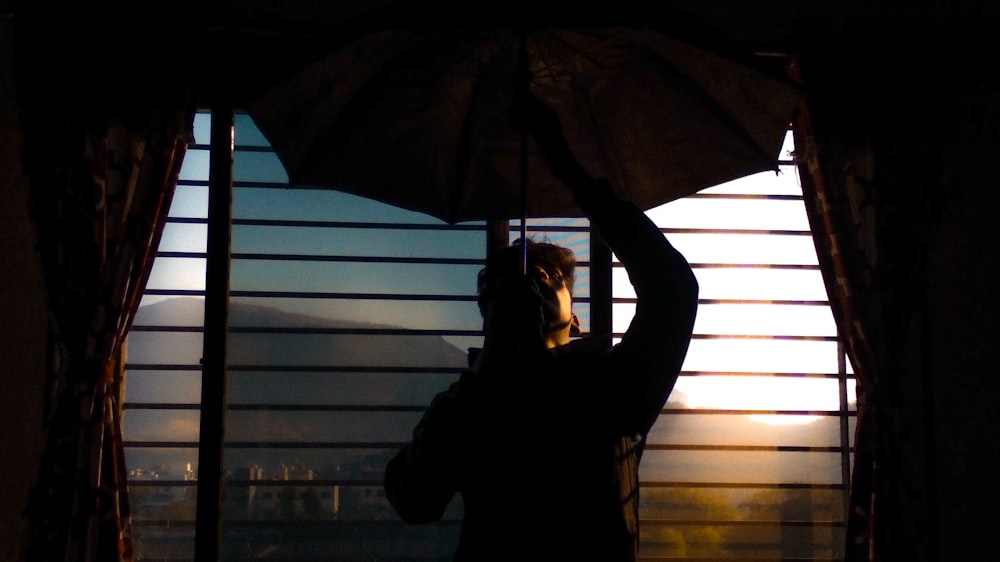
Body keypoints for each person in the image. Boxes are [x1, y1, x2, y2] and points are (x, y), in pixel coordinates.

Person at [383, 95, 699, 561]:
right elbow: (414, 499)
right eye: (508, 281)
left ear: (575, 319)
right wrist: (491, 369)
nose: (533, 278)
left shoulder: (603, 386)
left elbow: (672, 289)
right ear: (486, 312)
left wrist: (571, 172)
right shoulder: (468, 401)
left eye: (549, 276)